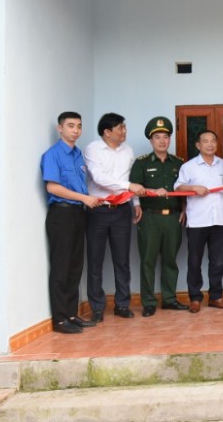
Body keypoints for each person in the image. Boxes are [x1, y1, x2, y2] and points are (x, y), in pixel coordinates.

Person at [40, 111, 101, 334]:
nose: (75, 130)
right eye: (70, 126)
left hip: (78, 214)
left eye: (79, 126)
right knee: (61, 266)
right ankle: (60, 319)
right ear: (60, 128)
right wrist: (85, 198)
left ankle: (72, 313)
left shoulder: (78, 155)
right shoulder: (53, 155)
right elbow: (53, 187)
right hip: (61, 214)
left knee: (75, 266)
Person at [85, 113, 144, 321]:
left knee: (122, 260)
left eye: (124, 127)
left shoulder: (128, 151)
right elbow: (99, 178)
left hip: (121, 210)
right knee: (95, 260)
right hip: (98, 210)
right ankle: (97, 308)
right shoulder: (93, 149)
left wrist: (135, 203)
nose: (124, 131)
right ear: (107, 132)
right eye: (120, 128)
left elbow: (131, 179)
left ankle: (122, 304)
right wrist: (129, 187)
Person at [130, 116, 188, 317]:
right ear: (151, 140)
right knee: (148, 261)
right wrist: (148, 195)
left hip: (173, 218)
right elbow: (135, 189)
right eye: (157, 137)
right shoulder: (142, 163)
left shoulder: (179, 163)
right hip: (150, 218)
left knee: (170, 260)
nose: (162, 141)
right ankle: (148, 302)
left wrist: (184, 208)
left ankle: (170, 299)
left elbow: (183, 188)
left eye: (166, 137)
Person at [175, 129, 223, 313]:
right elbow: (178, 187)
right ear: (198, 145)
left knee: (217, 262)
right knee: (194, 261)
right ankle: (195, 298)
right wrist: (193, 187)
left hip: (219, 220)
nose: (209, 144)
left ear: (216, 144)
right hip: (198, 221)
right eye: (205, 141)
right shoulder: (189, 166)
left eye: (213, 141)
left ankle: (216, 296)